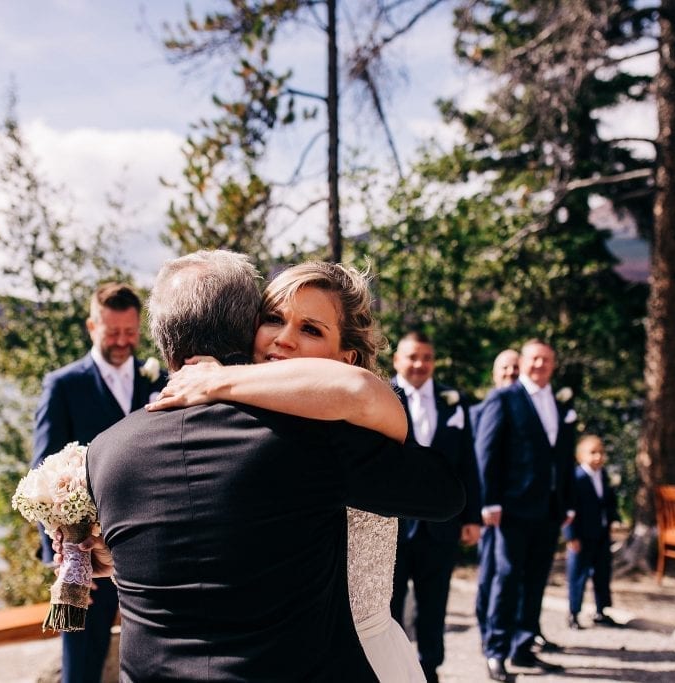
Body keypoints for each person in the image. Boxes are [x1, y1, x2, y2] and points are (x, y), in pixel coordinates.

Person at [85, 250, 467, 681]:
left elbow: (441, 491)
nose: (284, 338)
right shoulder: (295, 438)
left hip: (364, 648)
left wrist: (220, 380)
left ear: (346, 358)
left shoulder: (327, 432)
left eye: (310, 329)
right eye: (272, 318)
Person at [32, 282, 166, 683]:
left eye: (130, 333)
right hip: (84, 552)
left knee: (153, 657)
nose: (123, 342)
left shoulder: (157, 380)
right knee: (82, 665)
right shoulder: (63, 385)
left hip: (149, 547)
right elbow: (45, 474)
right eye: (113, 334)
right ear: (92, 327)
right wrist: (63, 558)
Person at [475, 339, 576, 681]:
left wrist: (568, 503)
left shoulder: (560, 403)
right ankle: (496, 651)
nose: (540, 365)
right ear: (525, 361)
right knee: (506, 579)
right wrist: (489, 501)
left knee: (536, 580)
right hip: (512, 508)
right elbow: (486, 452)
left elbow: (564, 458)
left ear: (554, 364)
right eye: (534, 359)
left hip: (549, 510)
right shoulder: (504, 398)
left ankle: (524, 645)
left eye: (547, 360)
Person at [388, 331, 481, 683]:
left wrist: (472, 516)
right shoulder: (383, 394)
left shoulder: (452, 401)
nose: (419, 364)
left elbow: (468, 463)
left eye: (426, 357)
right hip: (392, 522)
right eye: (412, 357)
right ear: (397, 360)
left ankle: (430, 669)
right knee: (388, 604)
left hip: (441, 525)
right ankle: (392, 671)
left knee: (434, 603)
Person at [469, 349, 519, 652]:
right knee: (490, 573)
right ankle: (487, 633)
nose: (511, 373)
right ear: (494, 373)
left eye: (515, 367)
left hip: (519, 510)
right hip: (490, 509)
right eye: (505, 368)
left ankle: (518, 634)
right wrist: (484, 504)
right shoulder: (480, 410)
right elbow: (478, 460)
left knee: (513, 576)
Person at [564, 435, 621, 629]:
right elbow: (568, 507)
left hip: (601, 532)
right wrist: (571, 535)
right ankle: (574, 612)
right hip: (582, 534)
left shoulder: (603, 475)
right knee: (578, 574)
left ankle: (601, 610)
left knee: (602, 572)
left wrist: (613, 519)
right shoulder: (577, 477)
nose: (598, 457)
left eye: (601, 452)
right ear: (581, 455)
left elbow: (608, 502)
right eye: (593, 452)